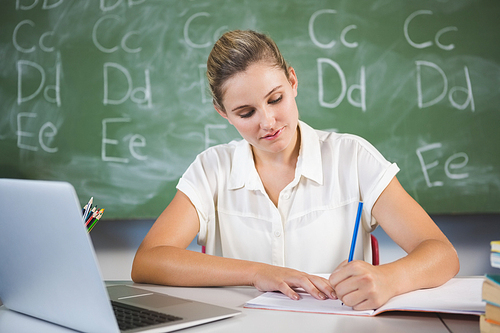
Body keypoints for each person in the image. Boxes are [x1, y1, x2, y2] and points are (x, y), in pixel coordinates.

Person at [132, 30, 459, 310]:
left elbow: (442, 254)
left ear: (292, 81)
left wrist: (389, 278)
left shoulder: (352, 157)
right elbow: (148, 261)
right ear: (223, 114)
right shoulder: (212, 169)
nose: (268, 122)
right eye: (246, 113)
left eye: (275, 99)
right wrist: (258, 272)